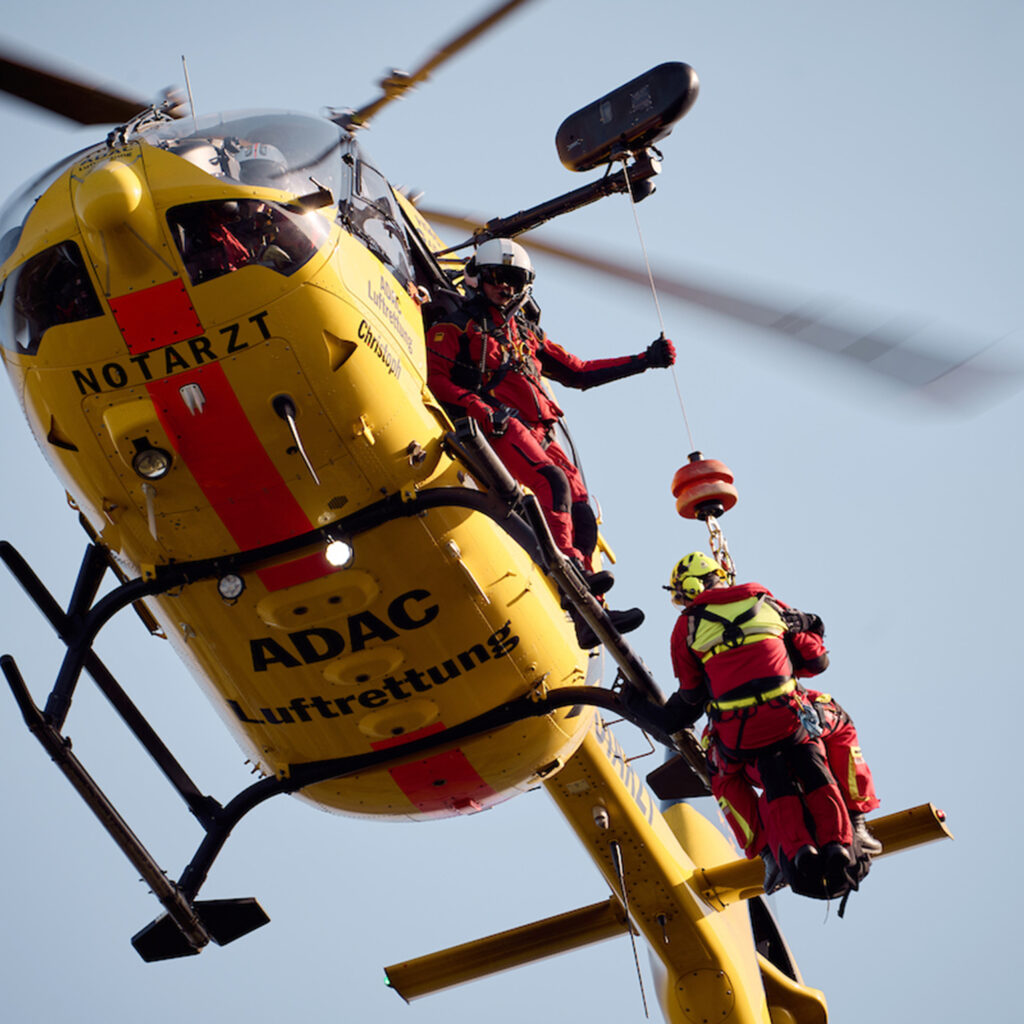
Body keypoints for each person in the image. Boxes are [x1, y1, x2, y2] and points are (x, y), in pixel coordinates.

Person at [426, 237, 675, 643]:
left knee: (581, 506)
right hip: (500, 424)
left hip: (542, 431)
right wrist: (483, 410)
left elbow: (578, 372)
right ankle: (569, 572)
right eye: (495, 278)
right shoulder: (455, 327)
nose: (504, 287)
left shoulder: (526, 334)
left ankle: (593, 604)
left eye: (512, 280)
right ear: (480, 278)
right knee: (552, 483)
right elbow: (438, 382)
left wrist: (643, 361)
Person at [661, 551, 872, 898]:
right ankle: (857, 820)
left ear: (690, 588)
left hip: (738, 740)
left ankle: (766, 853)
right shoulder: (767, 601)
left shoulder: (686, 626)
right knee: (841, 727)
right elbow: (816, 661)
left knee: (723, 781)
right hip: (794, 723)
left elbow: (691, 696)